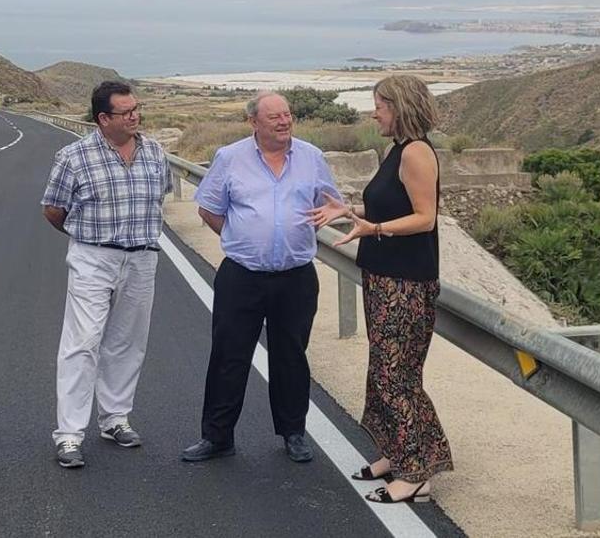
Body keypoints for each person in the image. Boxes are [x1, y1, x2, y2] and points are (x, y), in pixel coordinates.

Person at [308, 74, 453, 503]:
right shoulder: (397, 150)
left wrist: (375, 229)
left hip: (406, 284)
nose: (375, 113)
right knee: (384, 373)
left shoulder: (418, 153)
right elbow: (391, 204)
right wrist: (348, 209)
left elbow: (425, 217)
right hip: (384, 278)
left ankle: (416, 472)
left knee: (396, 377)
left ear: (401, 106)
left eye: (380, 106)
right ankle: (397, 452)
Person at [181, 92, 342, 464]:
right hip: (242, 276)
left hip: (296, 277)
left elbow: (332, 203)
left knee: (291, 357)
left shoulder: (312, 157)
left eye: (287, 115)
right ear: (254, 122)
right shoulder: (230, 158)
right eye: (275, 117)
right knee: (228, 356)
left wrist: (331, 212)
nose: (284, 122)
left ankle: (293, 434)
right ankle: (217, 437)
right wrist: (244, 238)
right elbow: (209, 209)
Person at [40, 81, 171, 469]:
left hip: (143, 257)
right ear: (103, 119)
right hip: (94, 257)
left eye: (137, 109)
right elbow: (53, 209)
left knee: (128, 341)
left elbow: (158, 197)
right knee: (83, 341)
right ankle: (69, 434)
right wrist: (88, 239)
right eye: (126, 112)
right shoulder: (74, 156)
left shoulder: (155, 153)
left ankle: (114, 418)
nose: (135, 116)